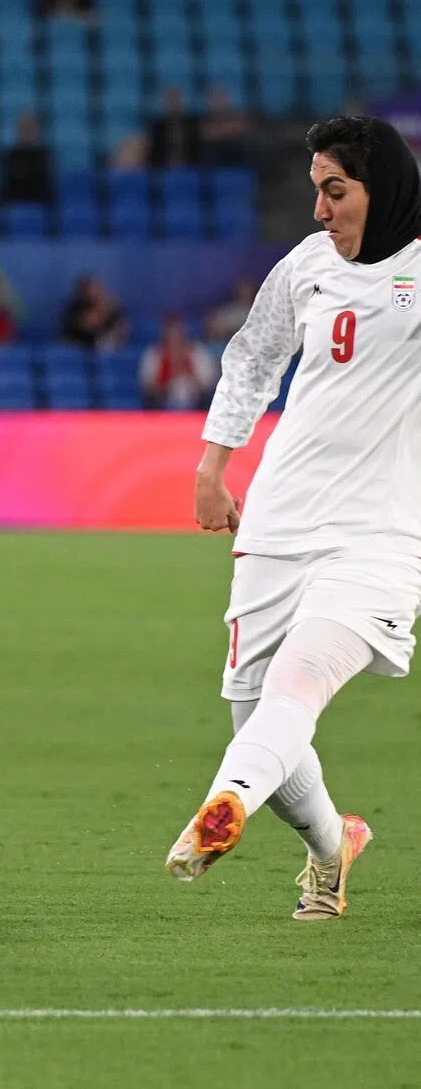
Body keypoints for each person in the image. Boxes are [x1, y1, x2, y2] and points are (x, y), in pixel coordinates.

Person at [164, 116, 421, 920]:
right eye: (316, 190)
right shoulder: (307, 266)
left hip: (379, 535)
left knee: (293, 691)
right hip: (278, 523)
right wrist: (213, 464)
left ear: (382, 191)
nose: (319, 210)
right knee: (260, 715)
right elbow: (251, 358)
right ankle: (330, 846)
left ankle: (221, 803)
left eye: (335, 191)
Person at [138, 312, 217, 409]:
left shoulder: (197, 352)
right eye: (171, 333)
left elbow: (207, 384)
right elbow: (147, 385)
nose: (174, 336)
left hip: (196, 403)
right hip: (162, 404)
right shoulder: (154, 354)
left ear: (183, 332)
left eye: (177, 332)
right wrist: (168, 381)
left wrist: (188, 373)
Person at [60, 273, 126, 350]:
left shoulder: (111, 307)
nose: (91, 292)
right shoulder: (74, 308)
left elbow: (122, 330)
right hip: (77, 346)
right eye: (87, 289)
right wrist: (101, 313)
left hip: (105, 348)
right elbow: (85, 325)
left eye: (95, 288)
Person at [0, 113, 52, 205]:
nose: (26, 133)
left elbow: (46, 191)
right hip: (12, 207)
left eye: (30, 129)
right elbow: (5, 191)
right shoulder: (8, 157)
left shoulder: (45, 157)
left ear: (39, 131)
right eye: (23, 129)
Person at [147, 86, 202, 168]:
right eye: (170, 100)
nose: (173, 103)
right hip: (164, 170)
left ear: (181, 101)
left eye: (175, 99)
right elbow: (153, 154)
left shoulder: (193, 124)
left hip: (191, 169)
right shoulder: (157, 127)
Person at [204, 276, 257, 346]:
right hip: (220, 343)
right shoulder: (229, 309)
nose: (244, 294)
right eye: (242, 291)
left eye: (247, 291)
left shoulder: (255, 311)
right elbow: (213, 322)